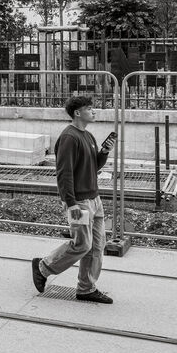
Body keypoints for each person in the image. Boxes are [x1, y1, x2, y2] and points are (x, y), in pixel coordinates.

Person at [32, 94, 117, 304]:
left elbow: (92, 167)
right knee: (82, 245)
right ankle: (43, 267)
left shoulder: (87, 136)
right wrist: (70, 203)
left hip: (94, 199)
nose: (94, 111)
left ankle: (86, 289)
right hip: (79, 201)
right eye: (90, 108)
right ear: (78, 113)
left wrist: (104, 153)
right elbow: (64, 173)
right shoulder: (69, 137)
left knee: (97, 246)